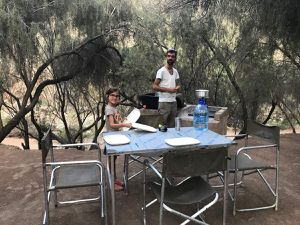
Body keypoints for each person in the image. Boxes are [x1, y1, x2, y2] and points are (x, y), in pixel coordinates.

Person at [105, 87, 132, 191]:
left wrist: (123, 120)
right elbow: (112, 125)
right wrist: (124, 124)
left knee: (114, 159)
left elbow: (116, 121)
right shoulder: (109, 109)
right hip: (111, 138)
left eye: (117, 96)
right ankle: (110, 182)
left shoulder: (114, 108)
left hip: (115, 137)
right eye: (112, 95)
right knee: (111, 161)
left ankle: (114, 178)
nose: (114, 98)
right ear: (108, 96)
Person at [152, 48, 180, 128]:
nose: (170, 58)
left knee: (171, 127)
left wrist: (177, 88)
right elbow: (154, 86)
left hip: (174, 102)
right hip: (164, 103)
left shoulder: (175, 71)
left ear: (175, 58)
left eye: (172, 56)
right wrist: (169, 90)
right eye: (169, 56)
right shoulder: (161, 71)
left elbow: (178, 84)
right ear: (166, 57)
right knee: (161, 126)